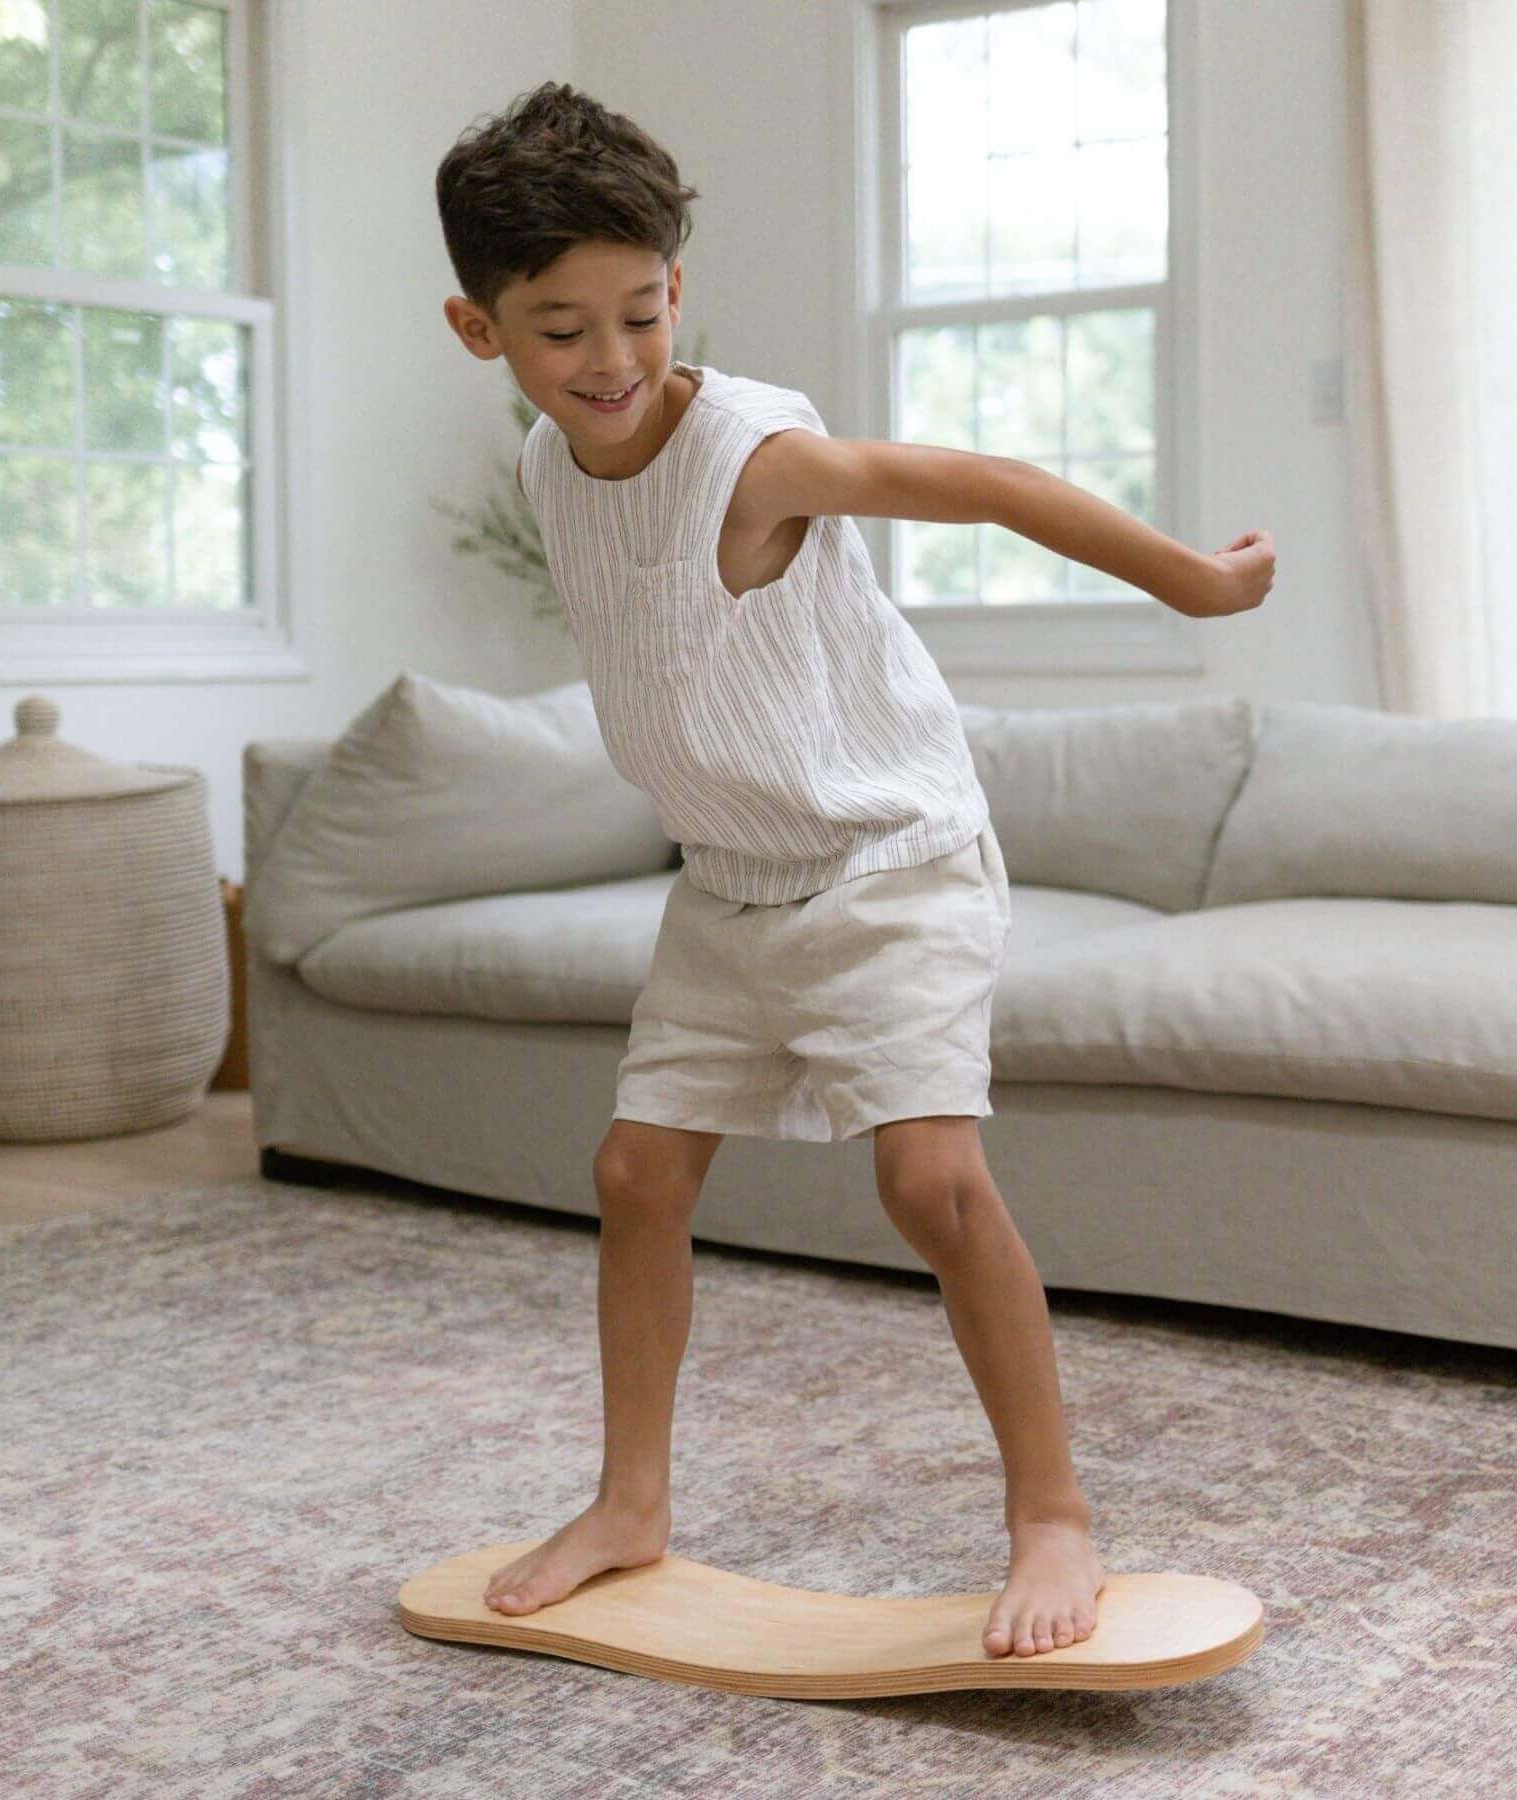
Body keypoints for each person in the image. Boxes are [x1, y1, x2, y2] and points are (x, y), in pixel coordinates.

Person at [436, 81, 1275, 1662]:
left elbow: (981, 485)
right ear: (484, 335)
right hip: (734, 879)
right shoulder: (555, 472)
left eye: (638, 312)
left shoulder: (755, 456)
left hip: (891, 861)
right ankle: (631, 1500)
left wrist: (1188, 581)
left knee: (930, 1180)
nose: (610, 362)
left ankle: (1051, 1516)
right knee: (635, 1176)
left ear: (676, 288)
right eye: (561, 331)